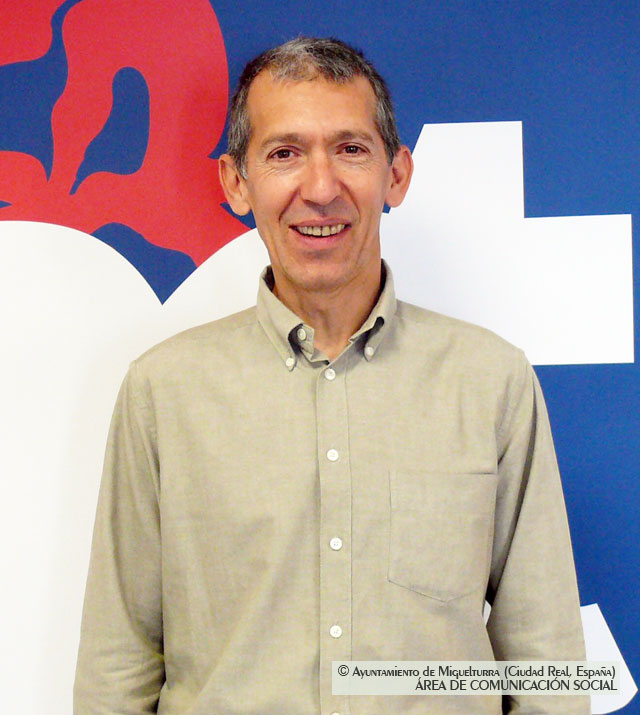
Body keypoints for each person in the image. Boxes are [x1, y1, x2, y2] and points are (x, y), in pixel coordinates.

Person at [74, 37, 588, 714]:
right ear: (235, 182)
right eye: (284, 154)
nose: (320, 189)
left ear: (396, 174)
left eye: (350, 149)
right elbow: (117, 666)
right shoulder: (162, 392)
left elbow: (548, 663)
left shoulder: (491, 382)